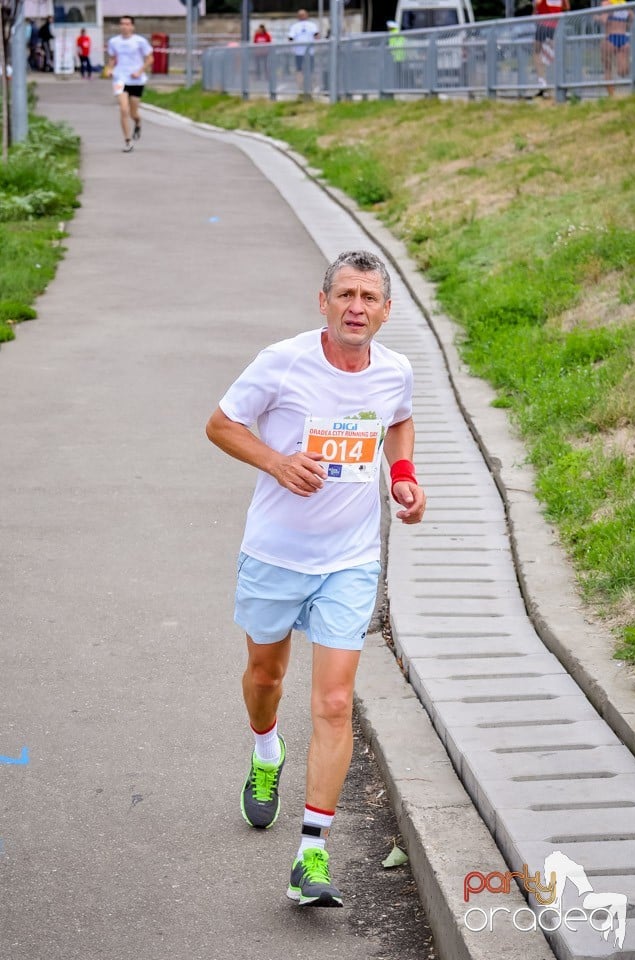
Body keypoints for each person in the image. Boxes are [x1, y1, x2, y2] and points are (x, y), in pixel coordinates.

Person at [205, 250, 426, 908]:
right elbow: (220, 424)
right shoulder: (284, 361)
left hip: (351, 560)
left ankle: (311, 853)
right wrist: (277, 463)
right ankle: (265, 750)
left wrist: (405, 478)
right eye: (346, 295)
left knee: (333, 704)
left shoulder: (394, 371)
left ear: (386, 311)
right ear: (323, 301)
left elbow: (399, 420)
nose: (357, 307)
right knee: (266, 677)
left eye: (370, 298)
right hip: (276, 553)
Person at [106, 16, 153, 153]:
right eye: (122, 24)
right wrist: (109, 69)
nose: (124, 26)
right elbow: (112, 58)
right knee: (123, 109)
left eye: (127, 24)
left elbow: (150, 58)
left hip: (136, 80)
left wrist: (140, 71)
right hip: (119, 78)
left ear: (132, 26)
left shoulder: (140, 41)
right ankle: (128, 141)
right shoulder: (113, 41)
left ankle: (137, 122)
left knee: (133, 113)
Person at [532, 0, 570, 94]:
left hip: (543, 24)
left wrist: (534, 11)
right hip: (556, 25)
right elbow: (567, 7)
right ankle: (560, 79)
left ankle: (542, 80)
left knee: (537, 52)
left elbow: (538, 2)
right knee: (556, 53)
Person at [597, 0, 633, 96]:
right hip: (621, 38)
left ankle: (612, 95)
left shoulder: (607, 3)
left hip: (611, 38)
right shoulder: (625, 4)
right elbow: (632, 18)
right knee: (615, 70)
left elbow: (603, 20)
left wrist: (597, 17)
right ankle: (612, 95)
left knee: (614, 70)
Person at [288, 8, 319, 90]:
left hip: (310, 52)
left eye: (303, 15)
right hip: (299, 52)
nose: (302, 16)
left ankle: (311, 86)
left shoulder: (311, 25)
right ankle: (301, 87)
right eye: (300, 15)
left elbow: (316, 35)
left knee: (311, 69)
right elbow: (291, 37)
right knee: (299, 69)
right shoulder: (295, 26)